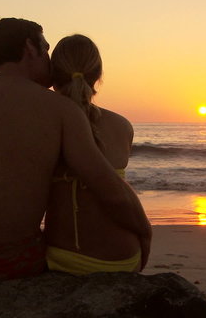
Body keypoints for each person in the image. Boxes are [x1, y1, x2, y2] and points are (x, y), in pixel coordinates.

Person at [0, 18, 151, 291]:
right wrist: (145, 231)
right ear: (30, 48)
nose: (49, 63)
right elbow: (106, 186)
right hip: (15, 258)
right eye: (46, 50)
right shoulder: (59, 109)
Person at [44, 35, 146, 275]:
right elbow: (115, 195)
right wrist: (144, 231)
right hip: (125, 259)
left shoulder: (40, 123)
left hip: (62, 259)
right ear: (98, 75)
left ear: (52, 75)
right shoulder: (122, 126)